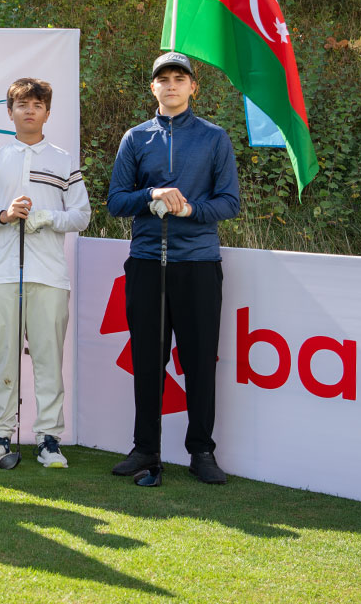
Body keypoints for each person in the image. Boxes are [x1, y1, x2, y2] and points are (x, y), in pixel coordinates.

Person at [106, 52, 240, 484]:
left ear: (193, 87)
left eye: (179, 78)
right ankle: (145, 448)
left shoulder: (214, 137)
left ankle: (201, 451)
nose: (171, 85)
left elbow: (229, 203)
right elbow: (115, 201)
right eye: (163, 79)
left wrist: (188, 209)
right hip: (147, 262)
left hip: (198, 263)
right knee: (148, 360)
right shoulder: (135, 138)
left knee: (199, 361)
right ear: (153, 88)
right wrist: (152, 195)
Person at [0, 78, 90, 468]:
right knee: (3, 358)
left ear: (47, 113)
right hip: (2, 273)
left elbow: (81, 216)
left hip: (49, 275)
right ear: (10, 112)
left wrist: (47, 217)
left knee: (48, 359)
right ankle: (0, 434)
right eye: (22, 105)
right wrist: (4, 216)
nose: (30, 111)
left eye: (37, 105)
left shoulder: (64, 160)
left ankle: (49, 439)